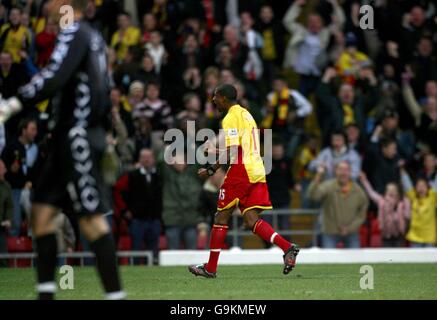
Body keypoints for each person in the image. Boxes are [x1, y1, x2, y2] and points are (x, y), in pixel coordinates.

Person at [0, 0, 124, 300]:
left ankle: (116, 296)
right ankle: (46, 295)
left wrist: (13, 104)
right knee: (41, 214)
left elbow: (53, 76)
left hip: (77, 137)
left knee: (92, 221)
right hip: (66, 138)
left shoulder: (73, 32)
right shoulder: (93, 35)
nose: (46, 4)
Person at [188, 84, 299, 278]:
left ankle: (211, 268)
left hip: (242, 170)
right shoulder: (247, 114)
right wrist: (215, 153)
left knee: (220, 217)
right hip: (257, 169)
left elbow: (233, 152)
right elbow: (241, 148)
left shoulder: (230, 117)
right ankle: (287, 247)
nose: (213, 100)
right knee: (250, 220)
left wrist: (211, 169)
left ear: (224, 98)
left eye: (215, 97)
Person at [114, 148, 162, 264]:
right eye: (143, 157)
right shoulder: (131, 175)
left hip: (154, 220)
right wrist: (124, 210)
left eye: (149, 157)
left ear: (153, 159)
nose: (146, 160)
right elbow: (117, 191)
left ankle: (153, 276)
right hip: (137, 221)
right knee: (136, 251)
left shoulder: (159, 176)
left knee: (153, 252)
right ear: (139, 159)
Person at [307, 161, 368, 248]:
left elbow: (362, 214)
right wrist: (318, 175)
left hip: (351, 233)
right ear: (335, 171)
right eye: (340, 169)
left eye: (346, 170)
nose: (343, 173)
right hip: (330, 232)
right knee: (328, 261)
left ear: (350, 172)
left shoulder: (358, 191)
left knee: (355, 261)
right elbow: (312, 195)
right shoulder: (328, 186)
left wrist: (349, 228)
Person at [359, 172, 410, 247]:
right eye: (389, 189)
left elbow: (408, 216)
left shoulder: (403, 202)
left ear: (397, 191)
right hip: (386, 234)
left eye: (393, 189)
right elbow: (371, 193)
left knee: (398, 256)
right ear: (386, 191)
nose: (391, 191)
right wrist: (364, 180)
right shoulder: (381, 201)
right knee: (387, 257)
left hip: (399, 234)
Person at [400, 167, 437, 248]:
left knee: (429, 260)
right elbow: (407, 185)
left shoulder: (432, 197)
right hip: (415, 236)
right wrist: (403, 174)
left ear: (427, 188)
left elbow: (436, 185)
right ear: (415, 188)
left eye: (423, 186)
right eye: (419, 186)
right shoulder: (413, 196)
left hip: (429, 236)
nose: (421, 188)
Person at [0, 159, 13, 267]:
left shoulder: (6, 186)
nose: (5, 171)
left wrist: (8, 219)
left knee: (3, 256)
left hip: (1, 227)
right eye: (3, 168)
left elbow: (9, 206)